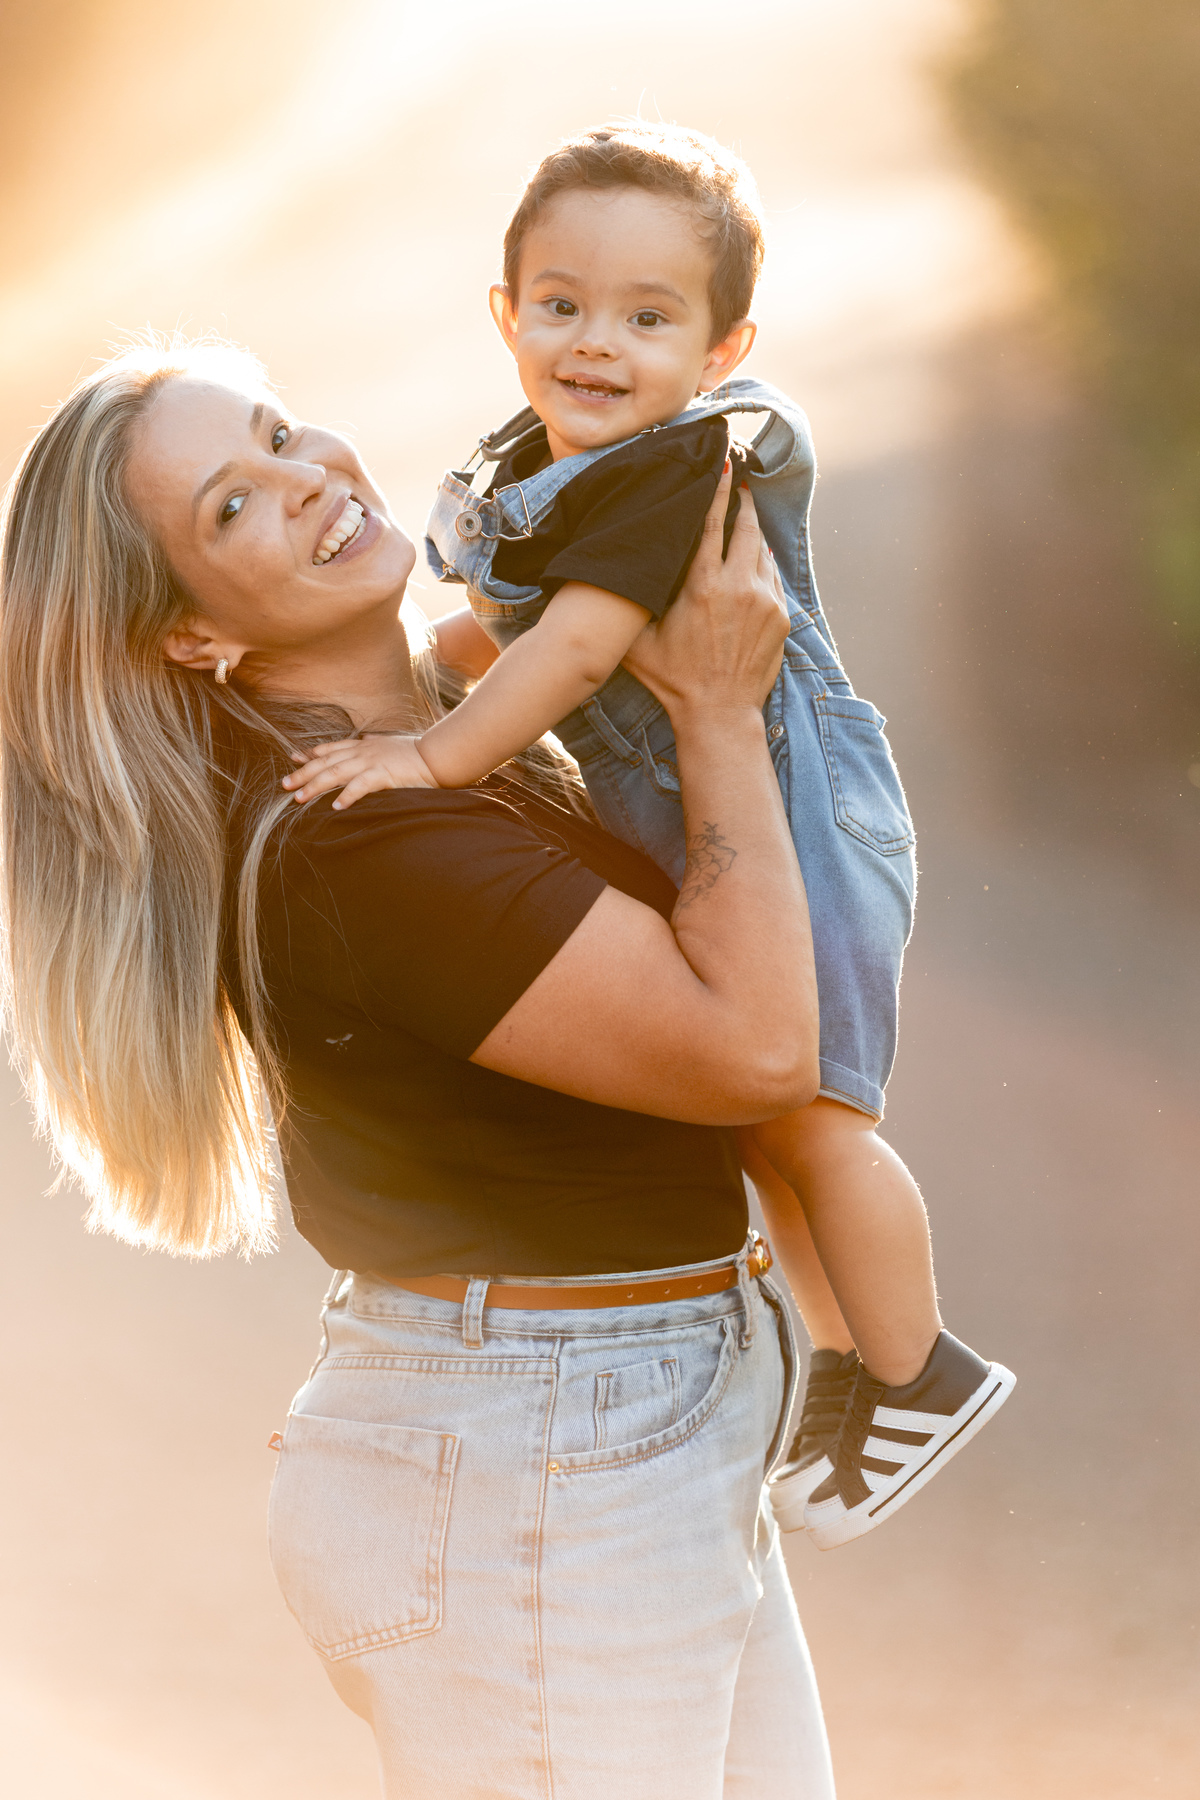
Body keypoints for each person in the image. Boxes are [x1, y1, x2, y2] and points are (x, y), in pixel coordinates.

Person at [0, 340, 837, 1798]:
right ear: (189, 636)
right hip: (546, 1457)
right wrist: (713, 708)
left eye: (278, 432)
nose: (306, 477)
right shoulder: (363, 846)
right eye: (230, 506)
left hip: (602, 1426)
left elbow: (524, 626)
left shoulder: (425, 745)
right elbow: (757, 1050)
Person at [283, 122, 1015, 1549]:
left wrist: (430, 750)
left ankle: (925, 1370)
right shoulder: (557, 465)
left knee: (815, 1119)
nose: (596, 344)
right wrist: (428, 668)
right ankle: (847, 1366)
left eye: (648, 318)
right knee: (759, 1128)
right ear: (506, 314)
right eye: (562, 305)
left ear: (723, 348)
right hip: (703, 821)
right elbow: (506, 623)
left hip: (799, 822)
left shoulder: (669, 474)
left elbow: (568, 652)